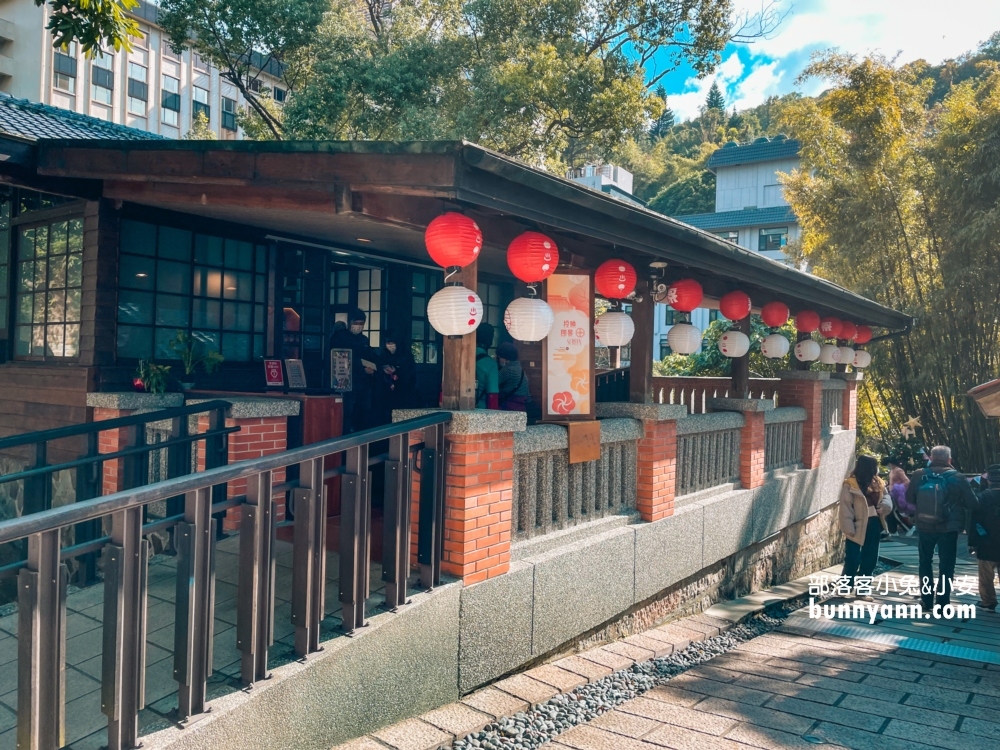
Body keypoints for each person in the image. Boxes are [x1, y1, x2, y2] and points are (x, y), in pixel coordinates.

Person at [906, 445, 978, 610]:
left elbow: (909, 498)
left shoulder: (919, 474)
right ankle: (943, 602)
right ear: (949, 460)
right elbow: (972, 503)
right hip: (949, 528)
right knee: (946, 565)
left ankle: (926, 600)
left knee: (925, 562)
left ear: (930, 458)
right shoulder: (958, 477)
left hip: (924, 526)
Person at [839, 455, 892, 600]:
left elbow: (887, 498)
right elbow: (846, 508)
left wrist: (885, 506)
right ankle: (844, 587)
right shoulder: (850, 484)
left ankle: (862, 591)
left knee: (870, 559)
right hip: (857, 524)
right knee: (853, 558)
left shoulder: (878, 483)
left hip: (874, 523)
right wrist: (848, 528)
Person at [329, 308, 376, 433]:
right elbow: (339, 358)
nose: (358, 327)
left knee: (362, 412)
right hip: (343, 380)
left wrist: (372, 368)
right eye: (356, 323)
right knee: (346, 412)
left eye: (361, 324)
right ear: (350, 322)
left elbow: (369, 357)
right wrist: (361, 368)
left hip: (363, 383)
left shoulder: (364, 340)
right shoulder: (340, 337)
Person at [968, 464, 1000, 612]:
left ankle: (988, 601)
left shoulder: (982, 497)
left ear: (989, 481)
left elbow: (974, 522)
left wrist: (972, 543)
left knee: (986, 575)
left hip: (986, 541)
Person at [374, 331, 417, 425]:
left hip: (402, 392)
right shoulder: (382, 355)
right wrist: (383, 371)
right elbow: (377, 370)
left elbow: (410, 373)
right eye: (388, 343)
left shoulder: (406, 356)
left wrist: (397, 372)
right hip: (385, 393)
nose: (390, 346)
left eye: (392, 343)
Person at [496, 342, 530, 412]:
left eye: (499, 357)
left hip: (508, 407)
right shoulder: (521, 370)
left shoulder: (508, 370)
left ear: (506, 358)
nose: (498, 360)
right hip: (521, 408)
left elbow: (493, 382)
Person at [474, 322, 499, 410]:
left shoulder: (462, 358)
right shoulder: (490, 364)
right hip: (480, 409)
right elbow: (493, 395)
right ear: (490, 340)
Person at [888, 466, 915, 536]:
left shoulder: (898, 470)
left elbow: (907, 481)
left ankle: (909, 527)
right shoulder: (892, 470)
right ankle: (893, 530)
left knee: (895, 511)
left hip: (899, 494)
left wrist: (898, 487)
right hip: (893, 493)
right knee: (892, 512)